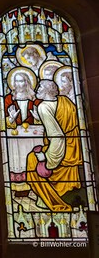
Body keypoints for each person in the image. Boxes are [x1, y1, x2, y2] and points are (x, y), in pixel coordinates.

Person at [26, 80, 82, 212]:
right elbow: (66, 123)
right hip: (74, 146)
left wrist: (47, 159)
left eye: (40, 87)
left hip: (60, 148)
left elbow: (58, 136)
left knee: (32, 160)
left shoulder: (43, 107)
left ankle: (49, 199)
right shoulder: (65, 101)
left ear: (47, 91)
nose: (36, 89)